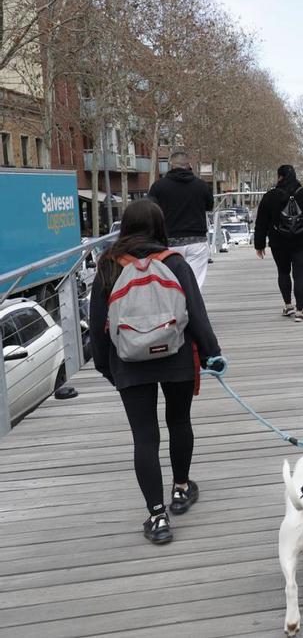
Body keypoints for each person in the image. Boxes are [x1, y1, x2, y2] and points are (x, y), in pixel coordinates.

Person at [90, 199, 222, 545]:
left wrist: (107, 367)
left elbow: (96, 323)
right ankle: (181, 489)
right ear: (160, 226)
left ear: (124, 226)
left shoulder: (107, 265)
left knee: (144, 437)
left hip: (128, 359)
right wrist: (212, 354)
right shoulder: (175, 263)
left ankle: (156, 515)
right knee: (179, 422)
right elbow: (196, 313)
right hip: (175, 355)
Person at [254, 165, 303, 322]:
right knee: (300, 275)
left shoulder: (270, 196)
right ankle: (300, 311)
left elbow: (261, 222)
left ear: (280, 177)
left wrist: (259, 244)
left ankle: (288, 305)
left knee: (283, 272)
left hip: (279, 243)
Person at [149, 151, 214, 287]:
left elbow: (151, 212)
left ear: (170, 166)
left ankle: (175, 307)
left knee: (172, 283)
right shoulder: (202, 186)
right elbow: (209, 206)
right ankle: (192, 306)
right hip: (196, 241)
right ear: (189, 165)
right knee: (195, 283)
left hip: (169, 242)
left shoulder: (158, 187)